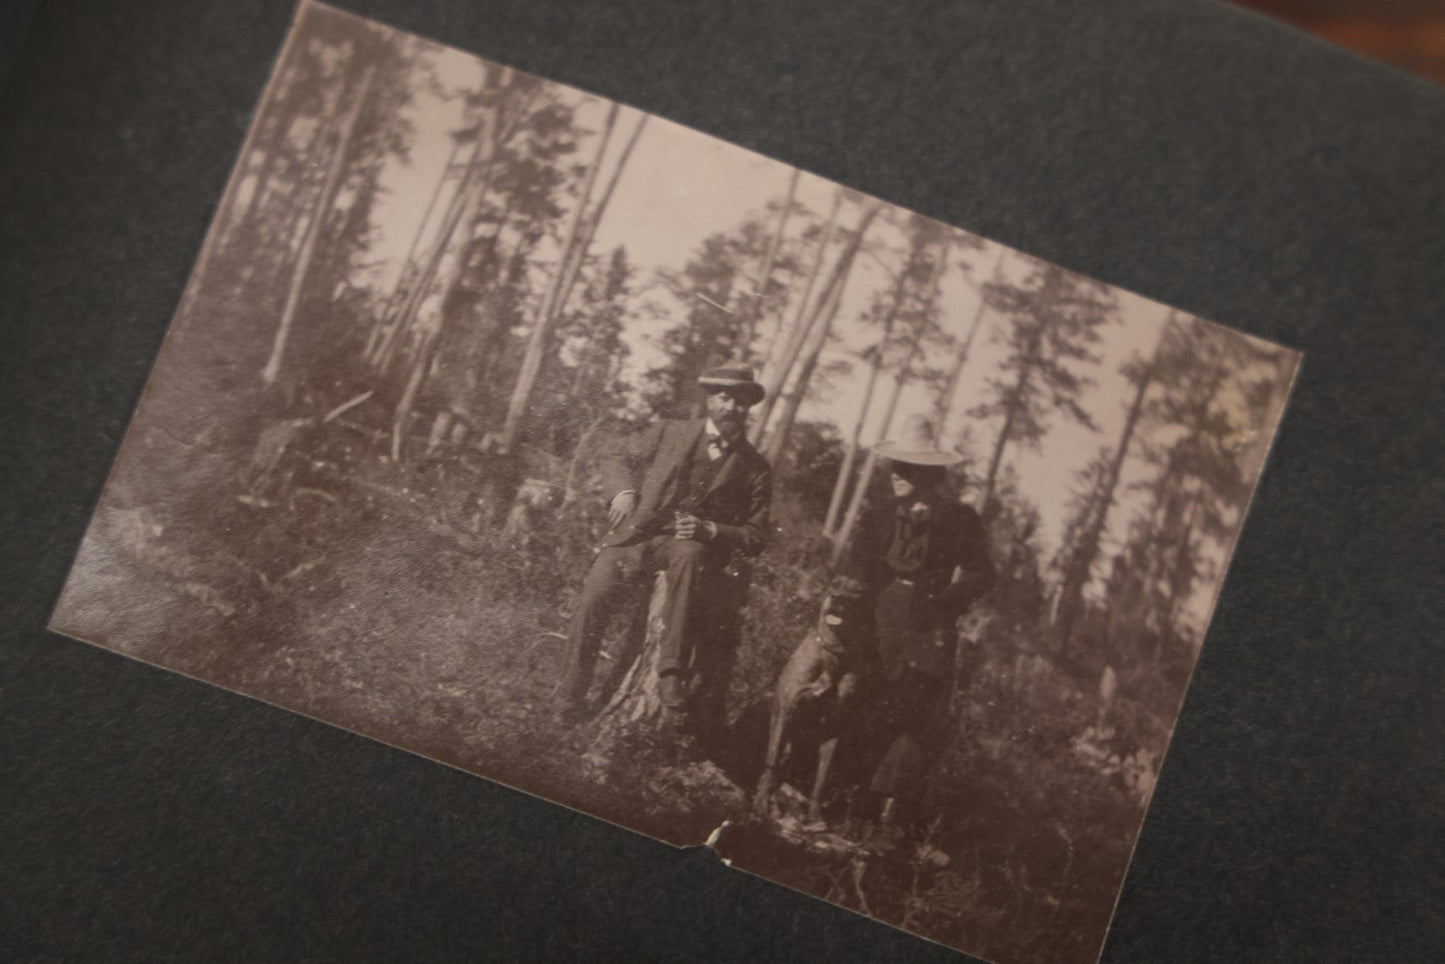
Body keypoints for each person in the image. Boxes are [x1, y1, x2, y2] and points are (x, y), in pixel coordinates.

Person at [556, 365, 772, 727]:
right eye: (724, 397)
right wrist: (623, 492)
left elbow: (756, 535)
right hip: (637, 537)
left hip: (686, 546)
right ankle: (569, 697)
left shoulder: (755, 467)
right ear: (710, 399)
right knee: (595, 593)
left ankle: (670, 672)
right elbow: (614, 453)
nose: (731, 406)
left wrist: (711, 529)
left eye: (740, 401)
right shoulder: (670, 432)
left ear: (749, 408)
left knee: (690, 557)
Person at [841, 413, 995, 827]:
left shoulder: (959, 519)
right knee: (867, 699)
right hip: (879, 616)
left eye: (907, 469)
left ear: (930, 473)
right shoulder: (879, 515)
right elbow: (859, 569)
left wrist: (945, 603)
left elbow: (983, 573)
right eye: (895, 466)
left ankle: (884, 812)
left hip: (929, 622)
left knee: (912, 712)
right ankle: (845, 798)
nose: (896, 475)